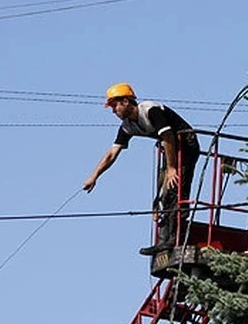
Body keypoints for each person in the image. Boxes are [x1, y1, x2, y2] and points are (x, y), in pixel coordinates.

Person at [83, 82, 201, 256]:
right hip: (171, 151)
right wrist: (94, 176)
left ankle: (174, 239)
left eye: (114, 105)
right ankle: (163, 241)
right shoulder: (127, 126)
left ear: (125, 101)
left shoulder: (151, 111)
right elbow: (112, 153)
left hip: (186, 145)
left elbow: (167, 135)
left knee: (175, 189)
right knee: (165, 193)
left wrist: (171, 168)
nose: (113, 111)